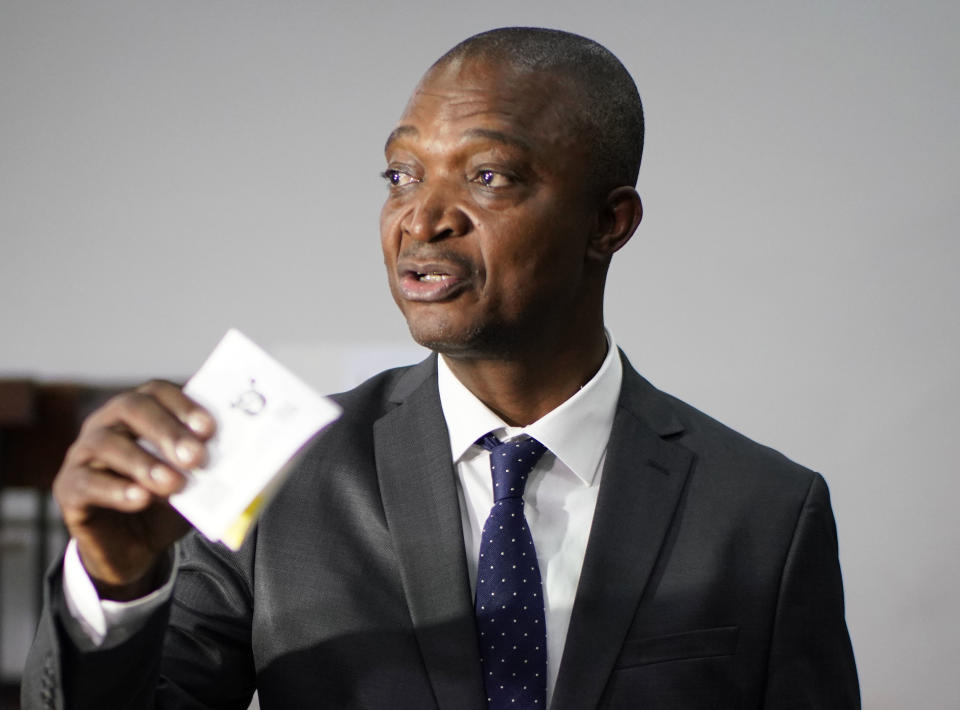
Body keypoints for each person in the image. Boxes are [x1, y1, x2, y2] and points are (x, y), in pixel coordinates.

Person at [21, 27, 859, 709]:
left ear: (609, 222)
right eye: (402, 173)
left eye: (487, 175)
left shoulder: (766, 513)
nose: (421, 219)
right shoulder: (272, 476)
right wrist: (117, 585)